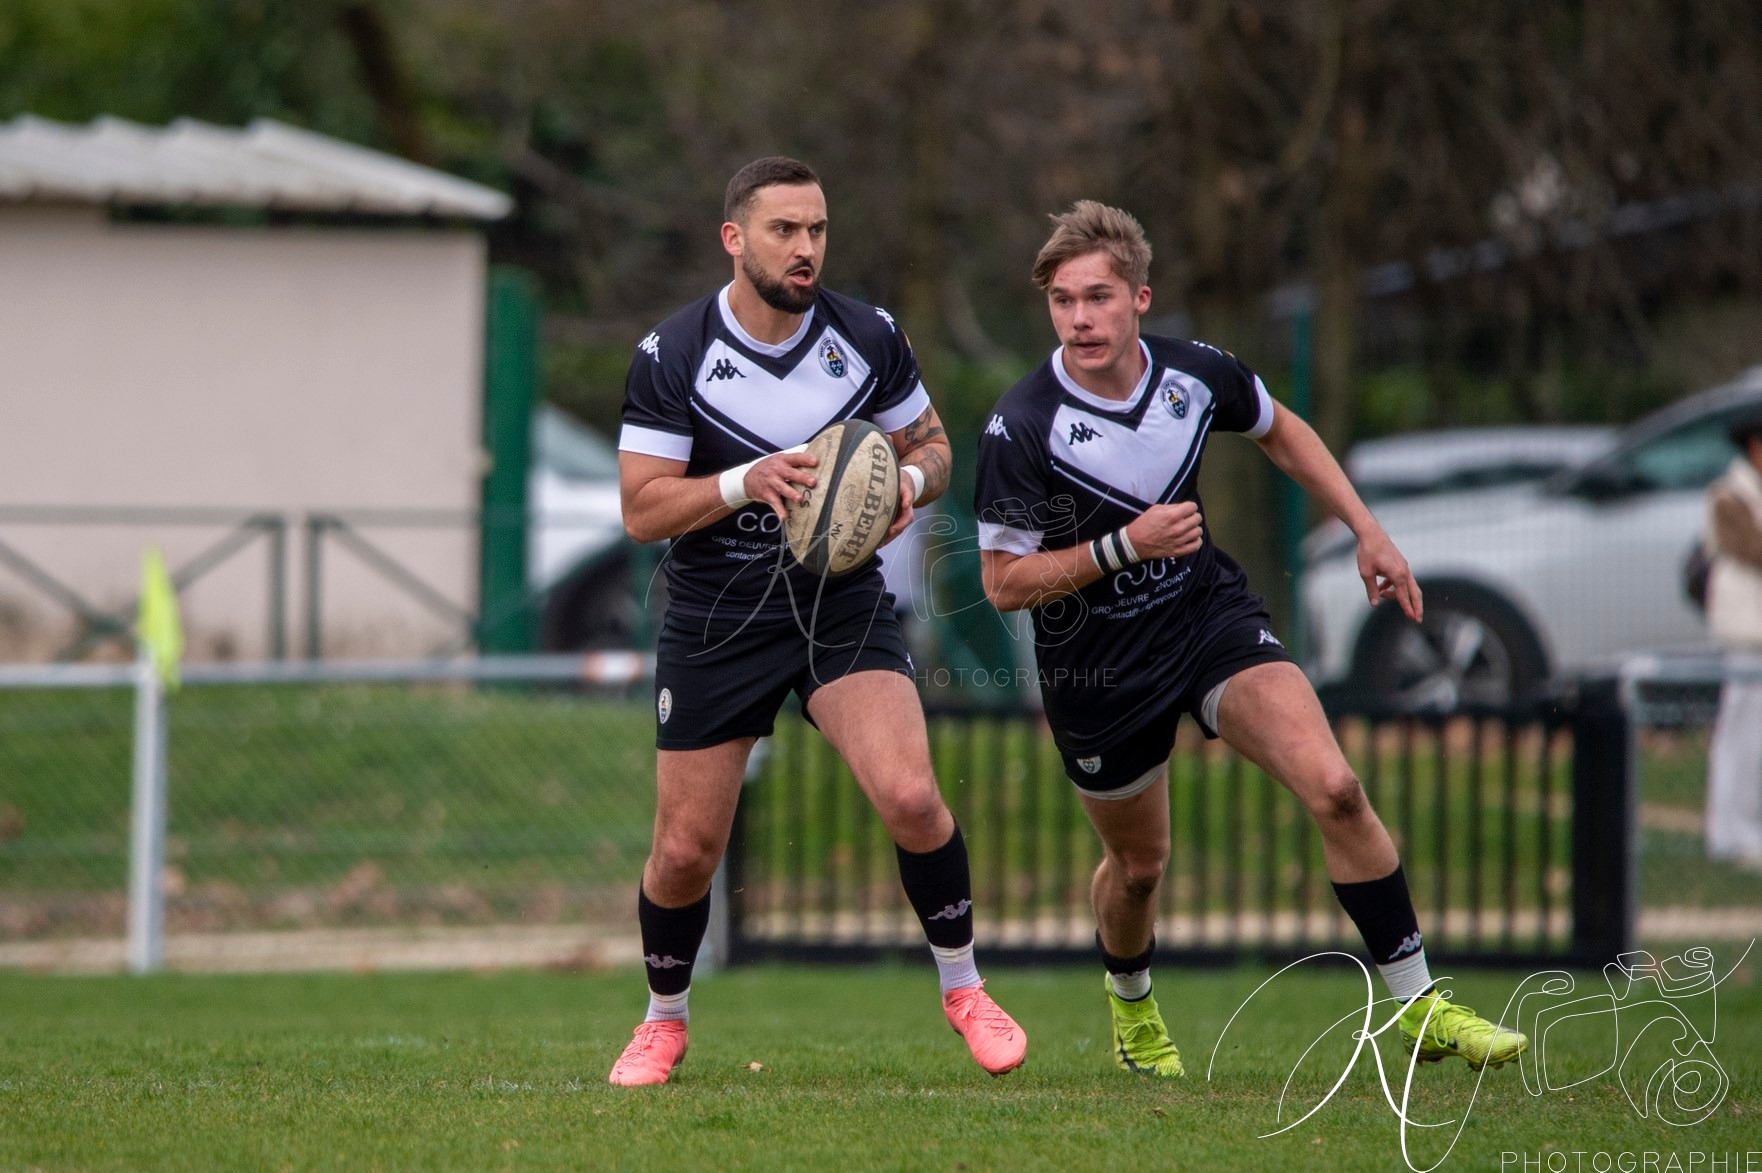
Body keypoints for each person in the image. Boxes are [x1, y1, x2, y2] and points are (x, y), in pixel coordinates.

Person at [973, 201, 1526, 1076]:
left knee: (1338, 788)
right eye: (1063, 300)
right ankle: (1132, 1005)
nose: (1080, 318)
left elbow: (1282, 430)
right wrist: (1125, 544)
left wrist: (1366, 529)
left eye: (1099, 297)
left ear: (1140, 299)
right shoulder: (1021, 423)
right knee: (1140, 867)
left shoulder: (1195, 375)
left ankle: (1419, 1002)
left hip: (1208, 623)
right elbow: (1002, 582)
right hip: (1099, 669)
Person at [608, 156, 1026, 1086]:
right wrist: (741, 481)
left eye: (817, 230)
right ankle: (662, 1018)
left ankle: (965, 987)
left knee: (913, 797)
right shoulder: (672, 355)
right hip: (719, 614)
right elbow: (641, 511)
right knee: (684, 850)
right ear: (734, 238)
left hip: (839, 604)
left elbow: (935, 445)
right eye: (784, 230)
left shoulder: (868, 333)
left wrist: (907, 485)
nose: (806, 249)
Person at [1703, 408, 1762, 866]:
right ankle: (1729, 833)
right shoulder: (1730, 495)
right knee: (1740, 736)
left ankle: (1745, 828)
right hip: (1746, 636)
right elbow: (1751, 548)